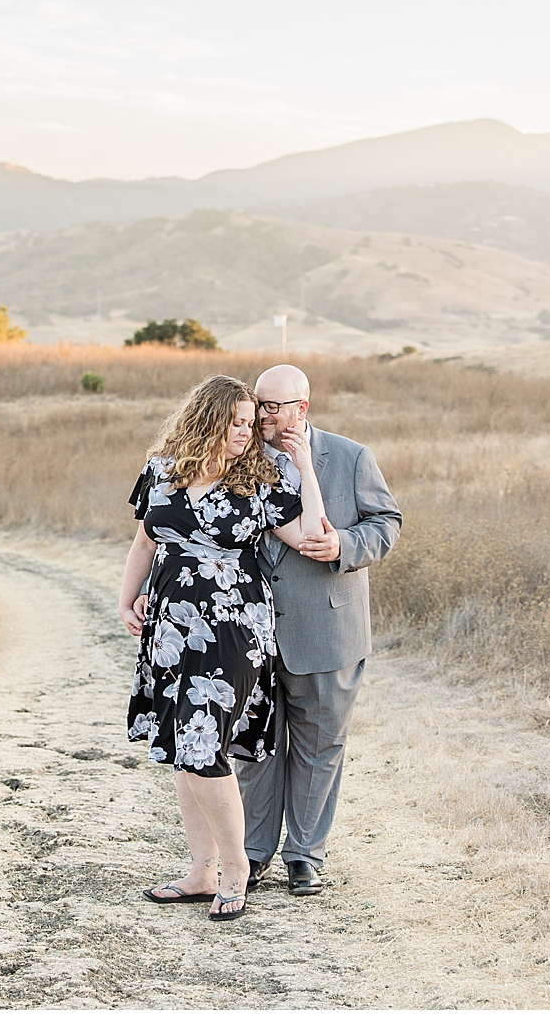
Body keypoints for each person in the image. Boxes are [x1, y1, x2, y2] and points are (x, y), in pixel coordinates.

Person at [118, 374, 326, 921]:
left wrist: (304, 467)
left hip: (232, 628)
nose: (247, 431)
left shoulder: (257, 479)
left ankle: (236, 871)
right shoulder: (161, 470)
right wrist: (127, 598)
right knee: (181, 749)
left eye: (250, 422)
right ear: (207, 419)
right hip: (169, 625)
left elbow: (312, 534)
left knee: (204, 745)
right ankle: (200, 871)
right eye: (236, 422)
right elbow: (144, 539)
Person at [236, 364, 401, 899]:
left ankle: (304, 856)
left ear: (301, 408)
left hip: (329, 628)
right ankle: (252, 854)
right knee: (255, 749)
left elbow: (386, 524)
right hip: (250, 631)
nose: (261, 413)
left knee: (319, 746)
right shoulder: (238, 455)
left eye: (272, 406)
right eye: (258, 403)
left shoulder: (351, 457)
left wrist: (344, 549)